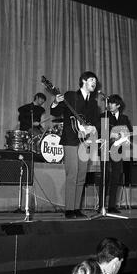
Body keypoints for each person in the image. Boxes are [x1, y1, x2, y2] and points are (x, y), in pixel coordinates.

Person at [51, 71, 100, 218]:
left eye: (95, 81)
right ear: (84, 81)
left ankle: (77, 208)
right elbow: (55, 112)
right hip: (71, 138)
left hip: (84, 140)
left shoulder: (93, 102)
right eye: (92, 80)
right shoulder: (71, 95)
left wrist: (92, 128)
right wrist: (55, 102)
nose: (94, 83)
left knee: (81, 176)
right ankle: (69, 209)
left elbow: (94, 121)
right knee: (72, 173)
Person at [99, 94, 133, 214]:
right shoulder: (104, 116)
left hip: (118, 151)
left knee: (115, 178)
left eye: (112, 103)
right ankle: (101, 206)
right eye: (109, 103)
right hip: (105, 149)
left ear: (118, 105)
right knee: (104, 177)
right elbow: (100, 133)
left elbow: (130, 133)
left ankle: (112, 206)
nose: (109, 105)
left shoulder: (124, 118)